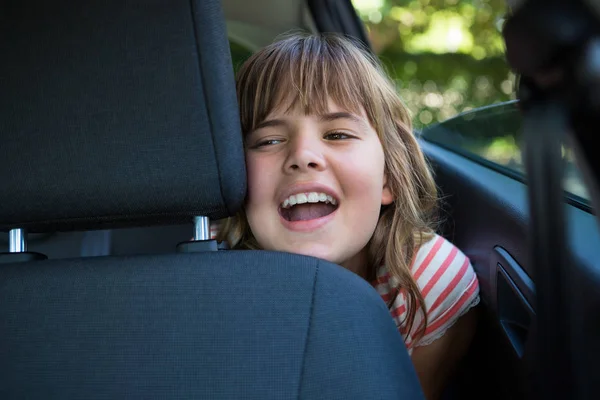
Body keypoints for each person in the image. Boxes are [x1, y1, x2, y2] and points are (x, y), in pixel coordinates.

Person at [216, 32, 480, 400]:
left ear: (388, 176)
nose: (303, 155)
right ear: (233, 178)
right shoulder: (210, 292)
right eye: (268, 140)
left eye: (337, 134)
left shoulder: (427, 282)